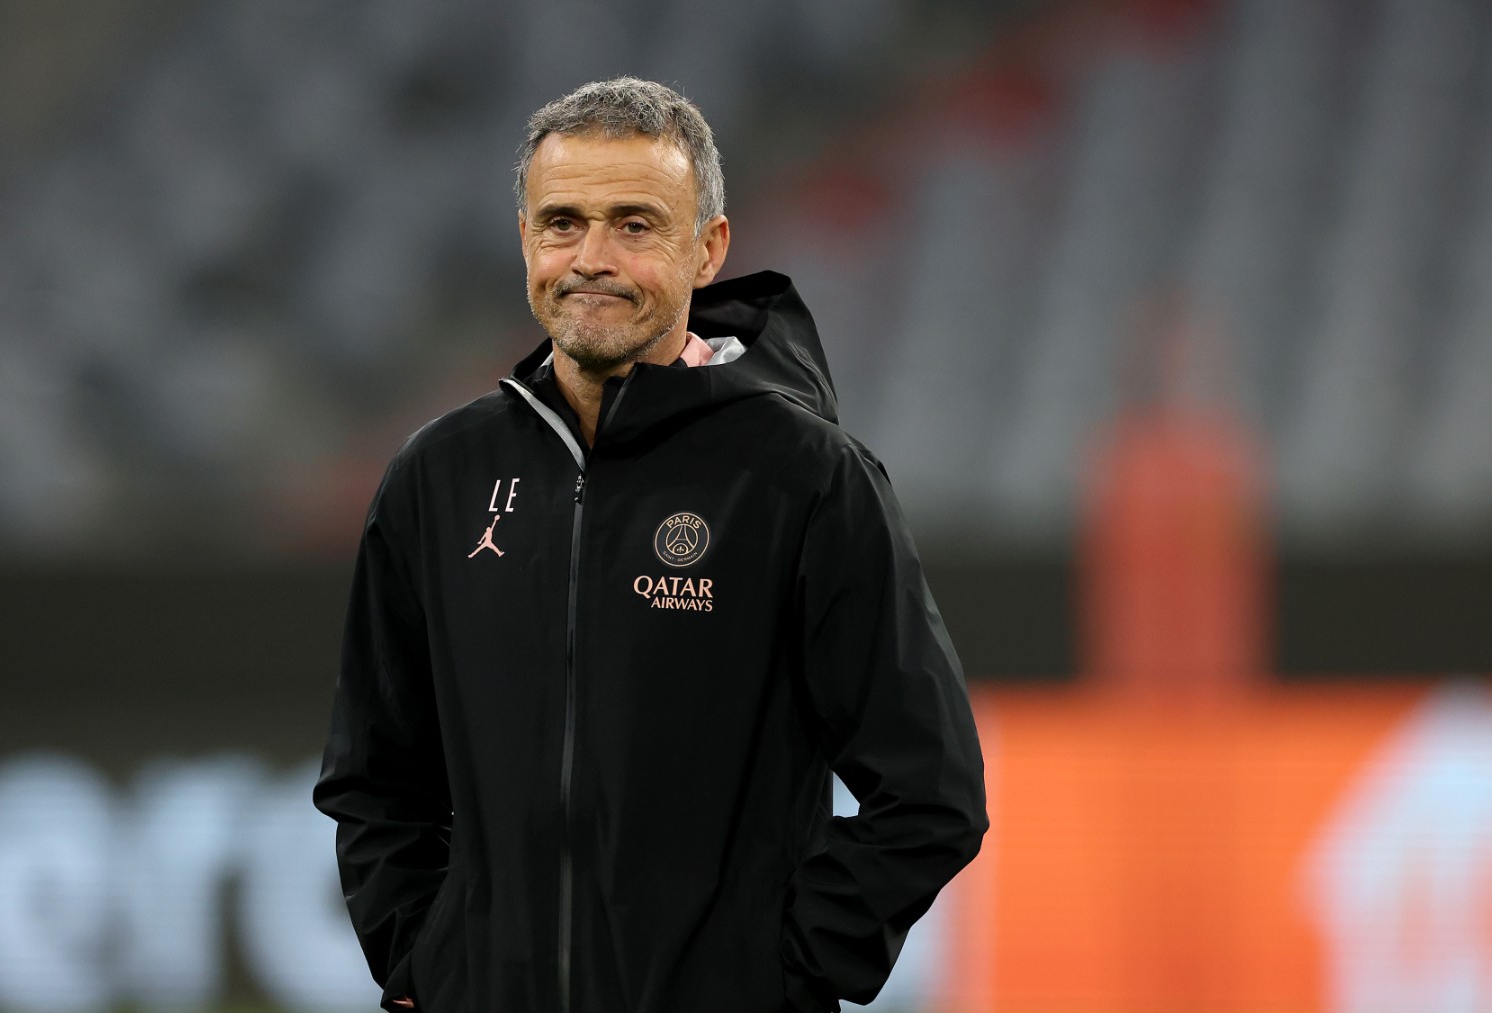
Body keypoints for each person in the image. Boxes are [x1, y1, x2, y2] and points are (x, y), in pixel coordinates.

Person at [314, 76, 987, 1013]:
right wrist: (429, 968)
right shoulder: (438, 478)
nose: (591, 257)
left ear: (709, 249)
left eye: (635, 224)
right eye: (562, 223)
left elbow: (932, 791)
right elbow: (376, 780)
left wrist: (777, 974)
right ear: (524, 241)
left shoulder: (804, 477)